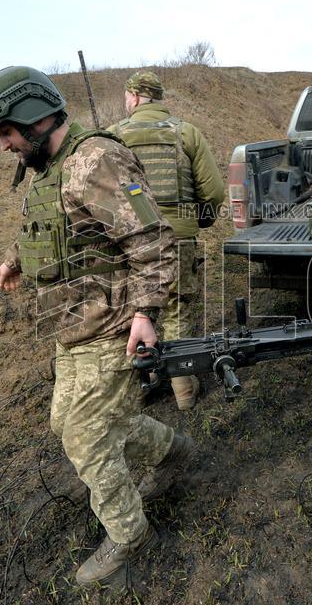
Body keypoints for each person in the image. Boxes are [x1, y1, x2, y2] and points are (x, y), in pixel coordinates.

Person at [0, 66, 196, 586]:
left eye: (4, 132)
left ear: (29, 119)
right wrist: (15, 260)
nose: (3, 145)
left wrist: (145, 314)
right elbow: (47, 228)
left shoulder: (97, 159)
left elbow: (154, 240)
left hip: (111, 325)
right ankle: (174, 452)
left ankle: (129, 536)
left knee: (86, 438)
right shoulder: (49, 170)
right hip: (71, 331)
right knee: (66, 423)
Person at [108, 70, 226, 410]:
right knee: (177, 313)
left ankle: (140, 389)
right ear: (157, 98)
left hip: (129, 243)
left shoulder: (114, 136)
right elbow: (214, 190)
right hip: (179, 239)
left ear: (133, 97)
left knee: (134, 316)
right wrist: (198, 221)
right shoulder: (185, 132)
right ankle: (184, 393)